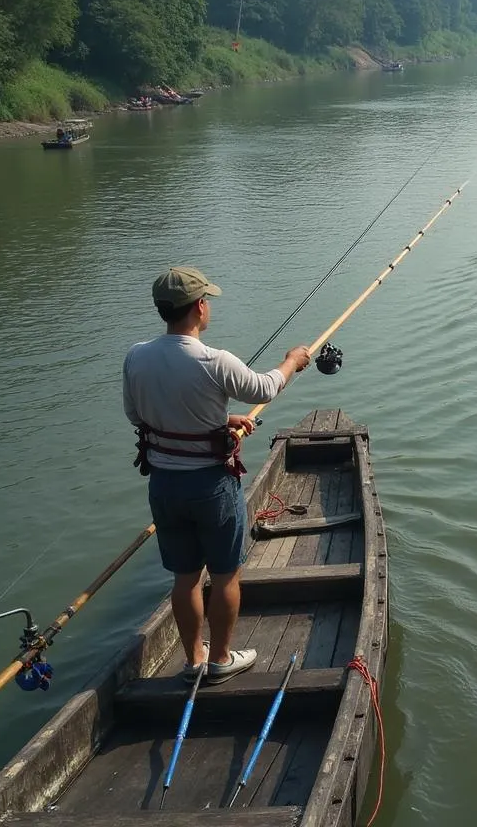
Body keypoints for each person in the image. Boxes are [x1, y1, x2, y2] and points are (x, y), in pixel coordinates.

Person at [123, 266, 312, 683]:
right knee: (225, 573)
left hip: (165, 486)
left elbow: (140, 416)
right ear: (199, 308)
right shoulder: (214, 360)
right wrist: (292, 361)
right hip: (212, 486)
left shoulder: (136, 356)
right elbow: (264, 388)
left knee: (185, 577)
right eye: (206, 300)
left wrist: (219, 421)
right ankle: (221, 659)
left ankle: (193, 662)